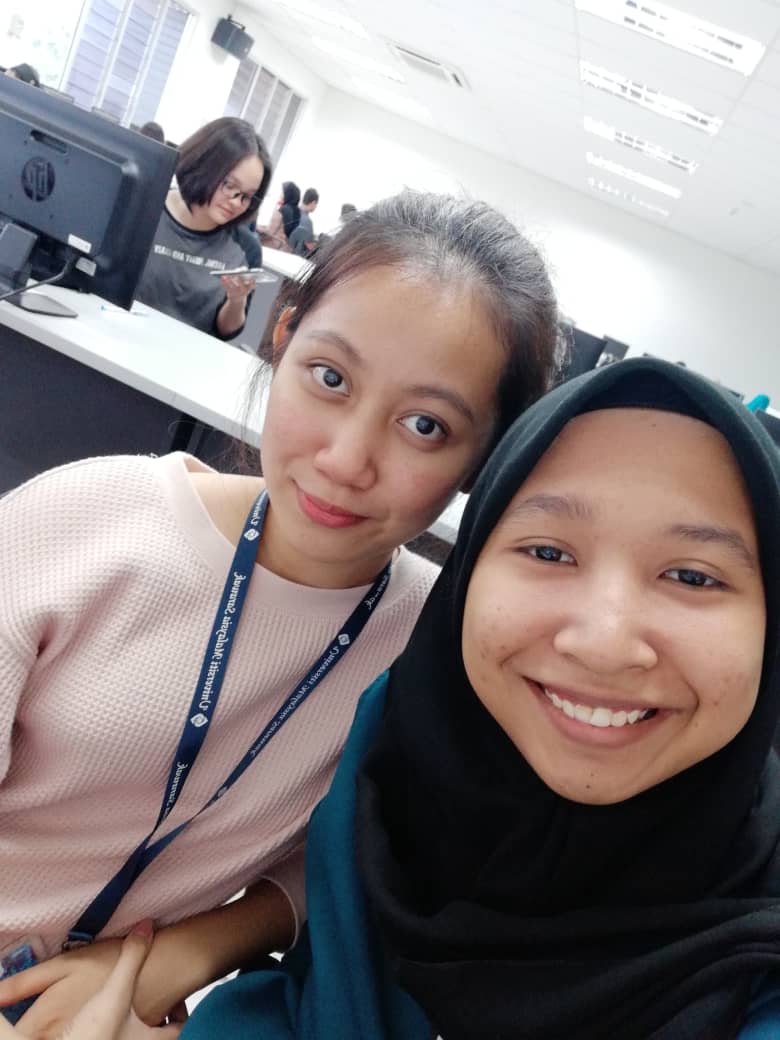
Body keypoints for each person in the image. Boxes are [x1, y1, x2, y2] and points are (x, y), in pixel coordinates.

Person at [0, 190, 561, 1034]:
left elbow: (360, 859)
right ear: (283, 337)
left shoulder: (438, 650)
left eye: (425, 425)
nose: (346, 460)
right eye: (329, 379)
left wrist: (177, 956)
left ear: (486, 457)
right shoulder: (90, 522)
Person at [184, 357, 780, 1040]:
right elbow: (308, 984)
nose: (603, 644)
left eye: (693, 577)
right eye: (549, 553)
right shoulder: (407, 747)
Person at [134, 117, 272, 339]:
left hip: (184, 355)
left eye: (246, 196)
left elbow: (225, 332)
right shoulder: (143, 211)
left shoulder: (246, 248)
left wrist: (236, 299)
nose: (236, 202)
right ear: (204, 167)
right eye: (229, 185)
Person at [259, 182, 301, 252]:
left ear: (287, 194)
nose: (280, 194)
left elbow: (270, 232)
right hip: (286, 249)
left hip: (273, 246)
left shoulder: (283, 210)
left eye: (282, 192)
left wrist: (256, 227)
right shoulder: (296, 211)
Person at [288, 188, 319, 257]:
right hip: (295, 257)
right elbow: (310, 246)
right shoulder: (307, 222)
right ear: (313, 203)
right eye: (316, 204)